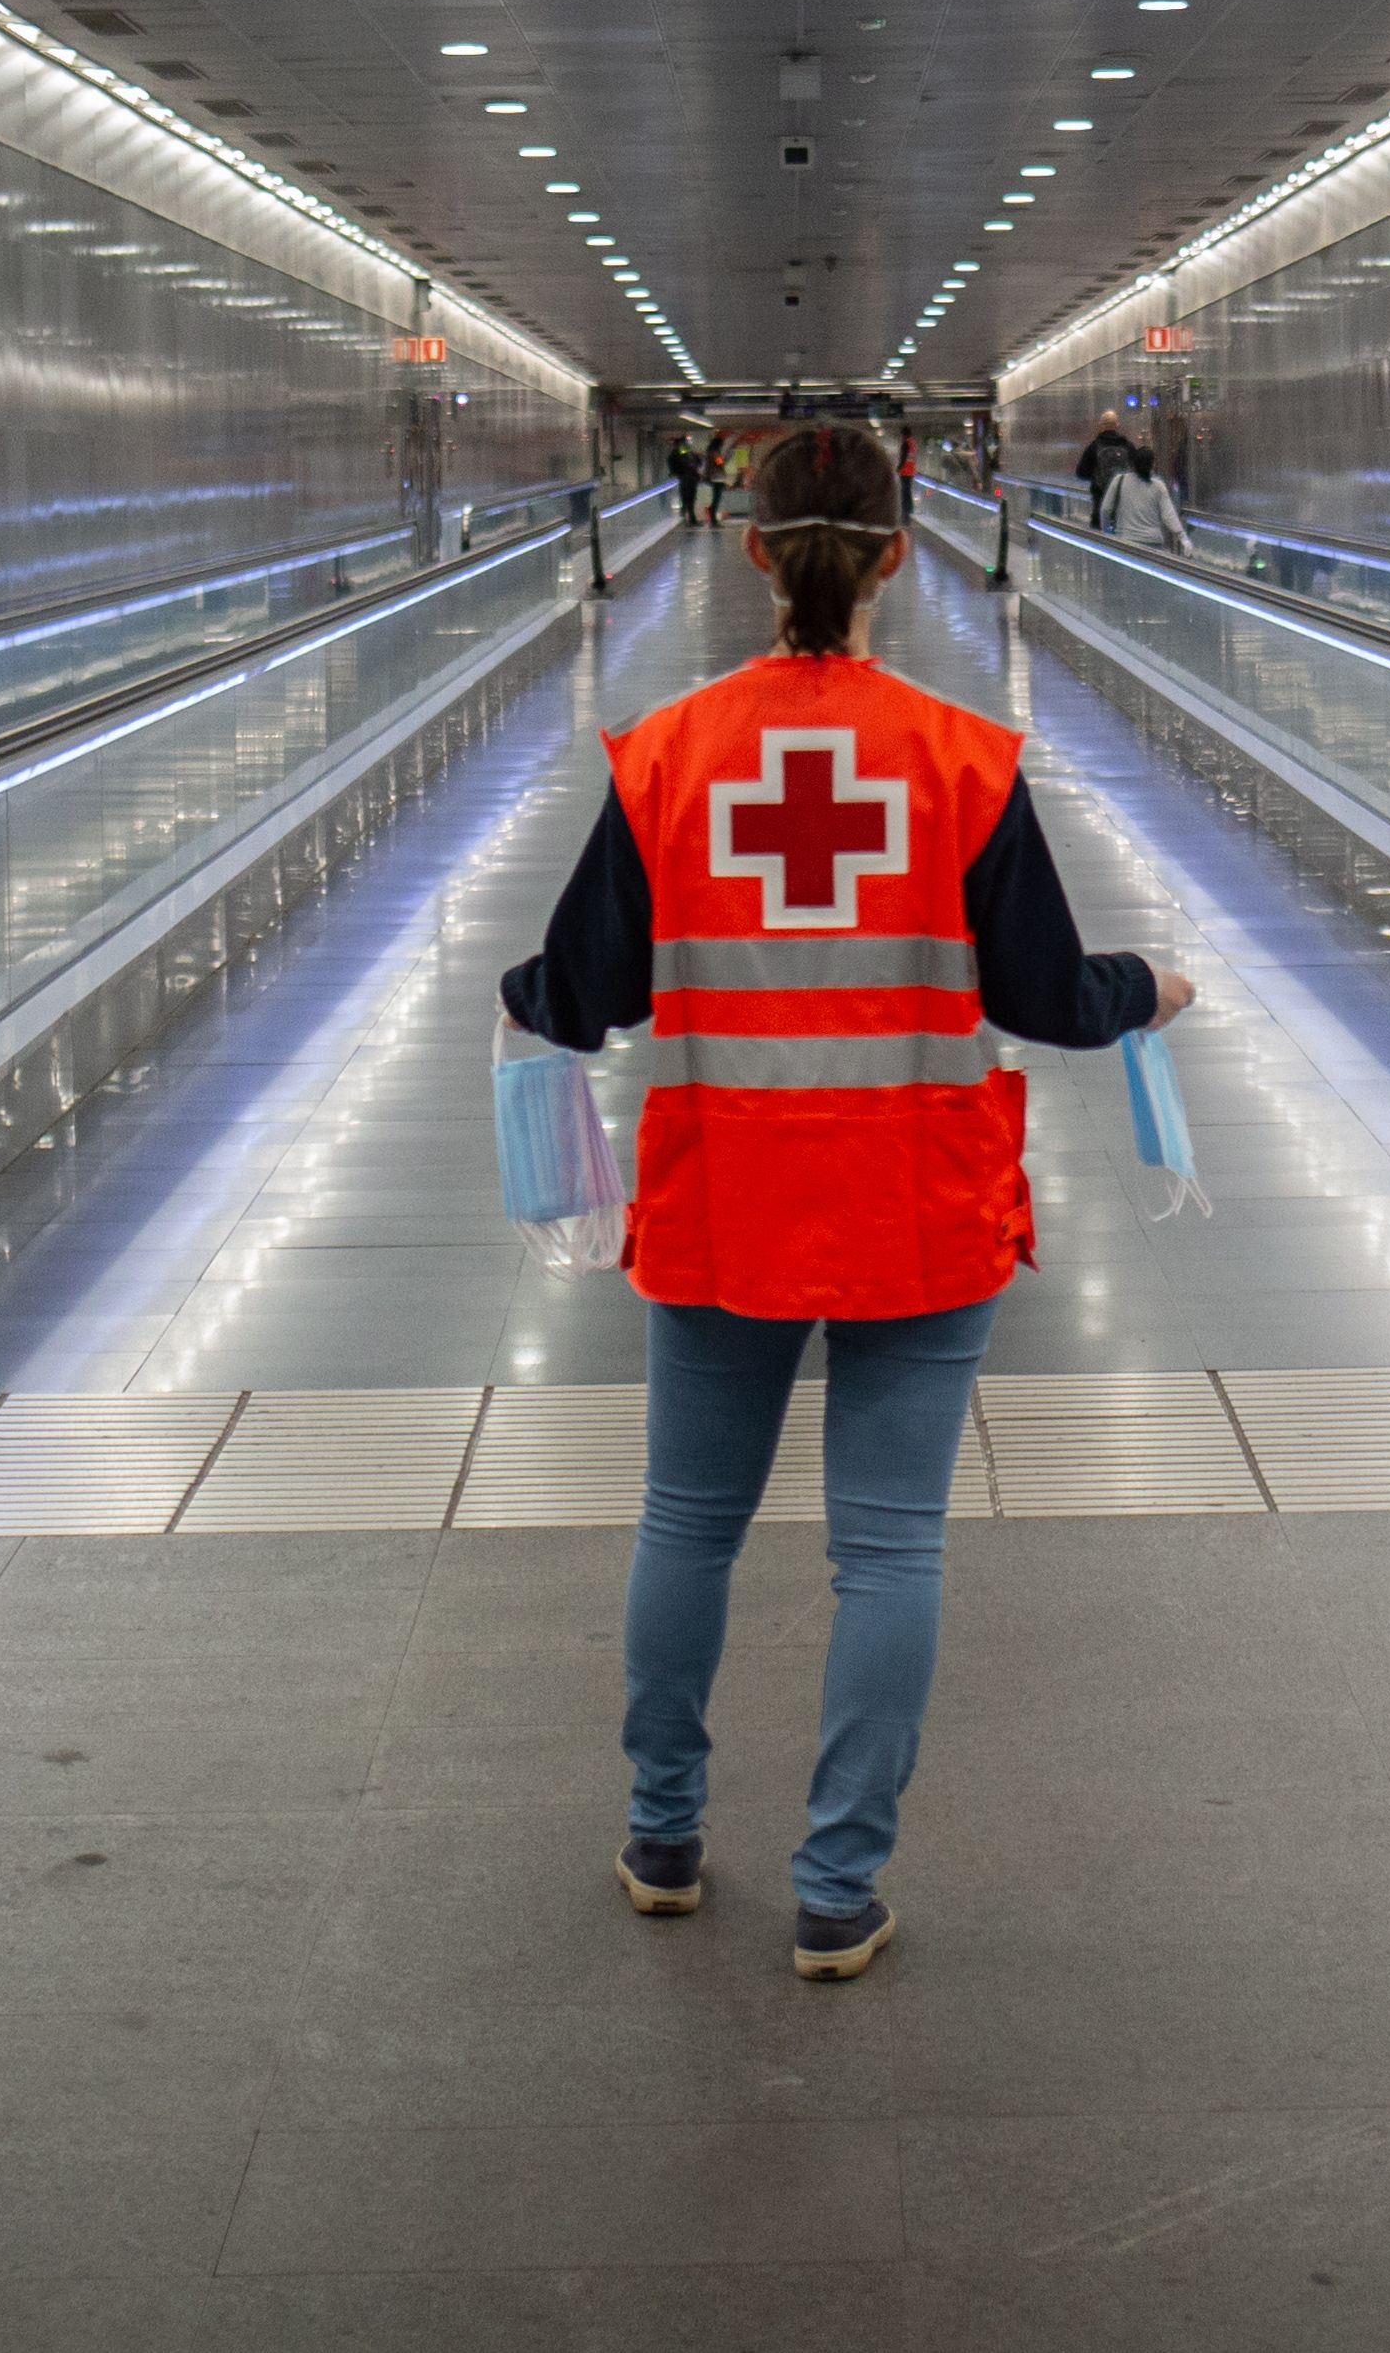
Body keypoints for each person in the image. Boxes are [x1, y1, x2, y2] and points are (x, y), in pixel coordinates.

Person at [497, 419, 1190, 1982]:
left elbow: (584, 986)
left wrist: (519, 987)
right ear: (896, 552)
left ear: (749, 551)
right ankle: (835, 1887)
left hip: (722, 1198)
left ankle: (663, 1836)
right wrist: (1155, 984)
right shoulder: (959, 756)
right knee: (886, 1551)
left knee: (688, 1521)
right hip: (916, 1207)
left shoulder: (666, 750)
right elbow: (1044, 994)